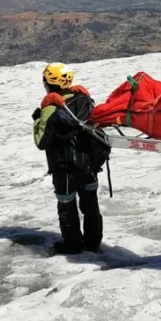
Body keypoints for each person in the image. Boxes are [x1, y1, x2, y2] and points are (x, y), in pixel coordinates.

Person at [32, 62, 104, 254]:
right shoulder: (84, 99)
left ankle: (72, 246)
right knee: (91, 204)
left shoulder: (50, 108)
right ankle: (93, 243)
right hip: (89, 165)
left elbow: (41, 142)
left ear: (48, 83)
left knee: (67, 205)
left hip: (64, 168)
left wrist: (38, 119)